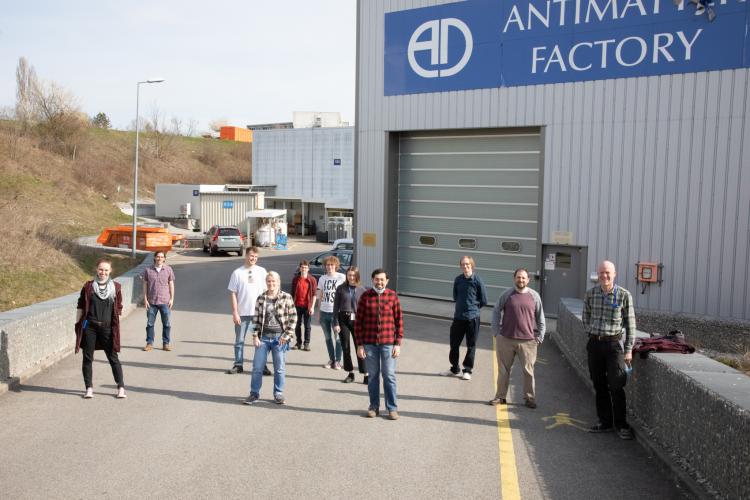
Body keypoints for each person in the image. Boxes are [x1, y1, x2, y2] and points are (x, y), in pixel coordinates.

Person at [583, 260, 637, 440]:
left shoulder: (623, 295)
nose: (604, 276)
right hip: (595, 344)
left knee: (616, 385)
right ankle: (604, 422)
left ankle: (621, 424)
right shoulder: (591, 294)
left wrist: (628, 350)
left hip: (614, 346)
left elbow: (631, 326)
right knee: (599, 384)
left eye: (607, 273)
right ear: (597, 275)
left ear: (614, 274)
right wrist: (592, 332)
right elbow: (586, 318)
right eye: (601, 273)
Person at [488, 268, 546, 409]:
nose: (521, 280)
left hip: (528, 341)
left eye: (523, 278)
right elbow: (496, 310)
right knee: (503, 370)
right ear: (514, 278)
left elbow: (540, 317)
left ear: (528, 280)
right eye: (518, 277)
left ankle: (529, 398)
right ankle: (500, 397)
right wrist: (496, 332)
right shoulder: (507, 294)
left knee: (528, 372)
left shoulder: (534, 296)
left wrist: (540, 337)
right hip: (506, 339)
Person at [355, 268, 403, 420]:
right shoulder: (365, 297)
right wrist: (360, 345)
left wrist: (398, 343)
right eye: (377, 279)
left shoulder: (392, 296)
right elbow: (358, 323)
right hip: (369, 343)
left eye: (382, 279)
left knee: (389, 375)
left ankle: (392, 408)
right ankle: (374, 407)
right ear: (372, 280)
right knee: (373, 376)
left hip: (388, 343)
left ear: (387, 281)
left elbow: (399, 321)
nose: (379, 282)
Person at [74, 257, 126, 399]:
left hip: (107, 328)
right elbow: (80, 305)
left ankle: (121, 387)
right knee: (87, 357)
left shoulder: (116, 287)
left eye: (106, 270)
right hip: (90, 327)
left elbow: (119, 308)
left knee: (113, 357)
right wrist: (78, 325)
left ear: (110, 271)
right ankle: (89, 388)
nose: (103, 272)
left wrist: (115, 326)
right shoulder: (88, 286)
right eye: (101, 269)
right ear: (96, 270)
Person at [244, 271, 297, 405]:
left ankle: (278, 394)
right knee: (257, 367)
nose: (271, 284)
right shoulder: (261, 298)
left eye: (274, 281)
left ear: (278, 282)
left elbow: (293, 318)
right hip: (263, 339)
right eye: (269, 281)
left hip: (279, 339)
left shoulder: (286, 297)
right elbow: (255, 320)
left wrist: (286, 336)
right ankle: (254, 394)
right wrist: (255, 336)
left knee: (279, 368)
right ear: (266, 283)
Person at [440, 256, 488, 380]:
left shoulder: (477, 280)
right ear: (460, 266)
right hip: (458, 318)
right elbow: (455, 297)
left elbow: (484, 300)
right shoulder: (458, 280)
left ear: (472, 265)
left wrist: (473, 308)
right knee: (454, 344)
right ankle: (454, 369)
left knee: (471, 345)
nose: (465, 266)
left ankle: (467, 370)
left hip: (473, 318)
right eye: (463, 264)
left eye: (467, 264)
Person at [226, 247, 268, 374]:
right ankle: (238, 364)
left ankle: (262, 365)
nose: (253, 258)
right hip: (242, 313)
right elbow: (233, 293)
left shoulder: (262, 271)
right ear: (246, 255)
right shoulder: (237, 273)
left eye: (255, 257)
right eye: (251, 256)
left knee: (261, 342)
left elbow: (267, 292)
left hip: (259, 313)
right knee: (239, 341)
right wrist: (235, 312)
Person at [333, 266, 367, 383]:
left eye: (353, 275)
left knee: (360, 347)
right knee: (345, 347)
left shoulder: (362, 290)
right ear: (346, 276)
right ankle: (350, 373)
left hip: (357, 320)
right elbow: (336, 307)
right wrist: (336, 322)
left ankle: (366, 373)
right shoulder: (340, 288)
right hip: (343, 319)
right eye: (349, 275)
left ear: (357, 276)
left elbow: (365, 309)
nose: (351, 277)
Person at [141, 250, 175, 351]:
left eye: (161, 257)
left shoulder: (168, 269)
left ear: (164, 259)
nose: (159, 258)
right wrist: (145, 299)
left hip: (165, 301)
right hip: (152, 302)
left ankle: (166, 344)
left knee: (167, 324)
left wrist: (172, 299)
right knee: (150, 324)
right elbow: (145, 285)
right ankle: (149, 343)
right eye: (158, 256)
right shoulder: (148, 270)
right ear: (155, 258)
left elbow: (171, 284)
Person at [317, 255, 346, 369]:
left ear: (336, 266)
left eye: (332, 265)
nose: (330, 267)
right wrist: (319, 312)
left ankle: (338, 361)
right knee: (328, 338)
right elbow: (320, 295)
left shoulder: (342, 277)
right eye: (328, 265)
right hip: (324, 312)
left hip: (337, 314)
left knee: (338, 338)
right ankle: (332, 359)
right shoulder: (322, 278)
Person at [290, 260, 317, 351]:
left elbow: (314, 294)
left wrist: (312, 307)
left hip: (307, 306)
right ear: (300, 268)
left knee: (307, 326)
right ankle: (298, 343)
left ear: (308, 269)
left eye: (305, 267)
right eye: (302, 267)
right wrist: (291, 306)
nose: (304, 269)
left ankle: (306, 343)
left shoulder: (312, 279)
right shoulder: (296, 279)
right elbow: (292, 293)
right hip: (297, 305)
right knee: (297, 325)